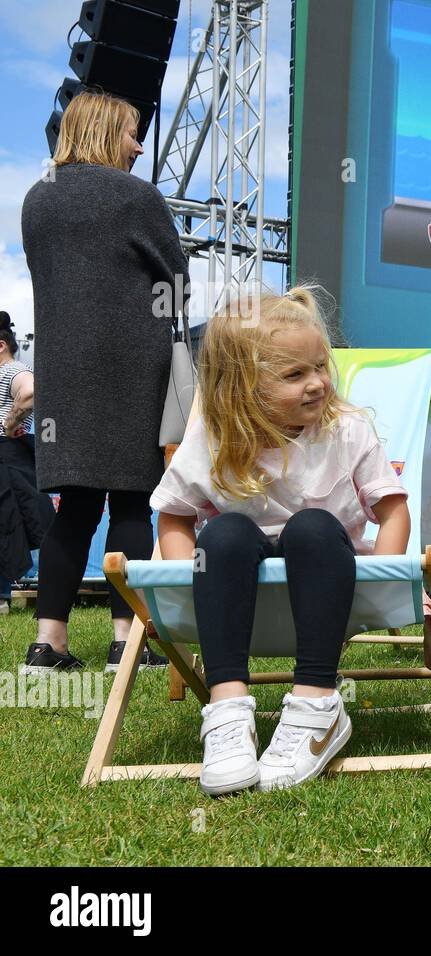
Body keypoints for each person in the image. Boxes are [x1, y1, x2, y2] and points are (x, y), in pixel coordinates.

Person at [153, 287, 412, 796]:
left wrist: (385, 581)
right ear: (240, 389)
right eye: (295, 375)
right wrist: (185, 581)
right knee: (224, 532)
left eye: (320, 365)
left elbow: (393, 510)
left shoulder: (347, 429)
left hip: (330, 586)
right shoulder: (215, 437)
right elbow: (175, 517)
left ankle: (318, 703)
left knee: (311, 527)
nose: (317, 383)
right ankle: (228, 709)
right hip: (237, 592)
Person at [20, 90, 183, 673]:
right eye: (132, 133)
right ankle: (127, 643)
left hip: (62, 374)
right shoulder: (137, 197)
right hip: (133, 368)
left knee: (76, 507)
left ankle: (48, 645)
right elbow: (179, 279)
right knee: (134, 504)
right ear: (104, 130)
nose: (139, 146)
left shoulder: (37, 199)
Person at [0, 311, 54, 613]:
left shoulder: (12, 370)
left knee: (6, 525)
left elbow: (31, 391)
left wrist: (9, 424)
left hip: (6, 454)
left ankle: (2, 597)